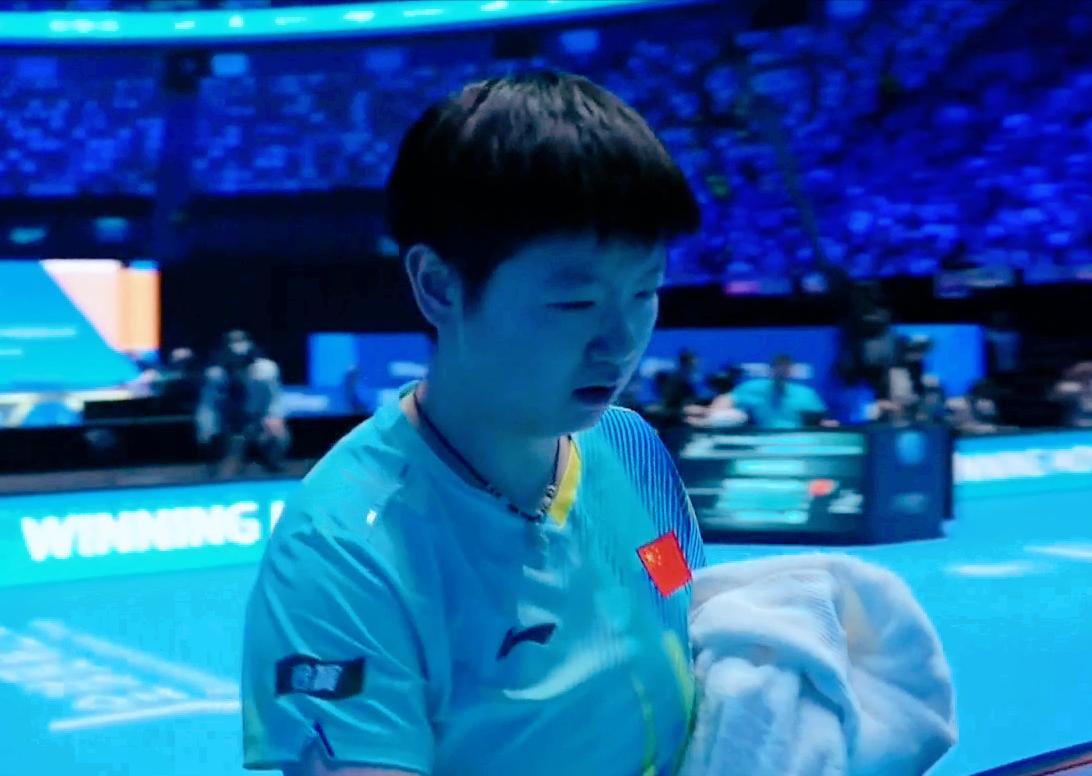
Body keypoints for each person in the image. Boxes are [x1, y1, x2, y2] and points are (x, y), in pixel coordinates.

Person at [241, 70, 706, 776]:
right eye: (575, 304)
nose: (620, 344)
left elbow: (687, 634)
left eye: (645, 294)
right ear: (438, 286)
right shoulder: (341, 552)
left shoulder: (630, 445)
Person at [196, 330, 289, 476]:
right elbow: (208, 406)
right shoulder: (215, 375)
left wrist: (275, 418)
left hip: (260, 420)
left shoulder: (267, 370)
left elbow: (275, 400)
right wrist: (207, 430)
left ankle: (274, 469)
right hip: (229, 425)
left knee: (279, 438)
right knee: (229, 462)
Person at [730, 354, 829, 429]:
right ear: (771, 369)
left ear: (791, 370)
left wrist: (826, 424)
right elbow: (727, 401)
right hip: (763, 439)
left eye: (785, 368)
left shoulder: (806, 394)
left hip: (798, 440)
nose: (781, 372)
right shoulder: (752, 388)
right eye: (778, 368)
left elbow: (821, 420)